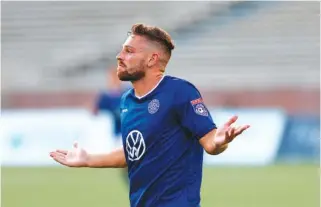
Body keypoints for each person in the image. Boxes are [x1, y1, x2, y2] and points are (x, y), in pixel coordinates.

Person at [50, 23, 250, 207]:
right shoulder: (128, 100)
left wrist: (221, 140)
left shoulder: (180, 91)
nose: (119, 56)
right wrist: (88, 159)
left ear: (152, 59)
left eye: (129, 51)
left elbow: (211, 143)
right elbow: (135, 153)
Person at [90, 68, 130, 184]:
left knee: (131, 162)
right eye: (112, 78)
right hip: (118, 135)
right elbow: (95, 111)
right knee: (125, 164)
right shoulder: (106, 96)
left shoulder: (127, 93)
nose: (114, 80)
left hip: (131, 132)